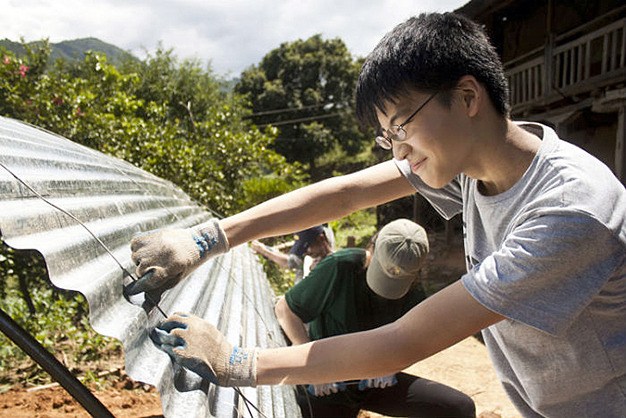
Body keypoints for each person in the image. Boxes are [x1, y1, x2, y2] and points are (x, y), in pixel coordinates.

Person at [131, 12, 626, 418]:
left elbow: (401, 342)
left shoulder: (568, 212)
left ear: (468, 97)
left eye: (402, 125)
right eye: (387, 136)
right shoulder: (470, 162)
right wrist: (207, 239)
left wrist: (236, 361)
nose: (398, 150)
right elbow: (343, 194)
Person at [275, 218, 475, 417]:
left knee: (459, 408)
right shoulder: (340, 267)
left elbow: (412, 343)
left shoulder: (414, 293)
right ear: (372, 250)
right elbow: (285, 308)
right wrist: (310, 367)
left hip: (374, 382)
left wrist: (391, 365)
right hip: (329, 386)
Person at [250, 224, 334, 284]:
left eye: (307, 246)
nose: (306, 252)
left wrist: (265, 251)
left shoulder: (330, 267)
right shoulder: (312, 254)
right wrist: (267, 250)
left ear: (321, 238)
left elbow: (290, 262)